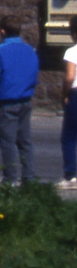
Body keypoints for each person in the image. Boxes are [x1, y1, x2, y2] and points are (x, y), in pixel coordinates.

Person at [0, 16, 39, 185]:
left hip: (7, 101)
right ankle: (29, 177)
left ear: (2, 31)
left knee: (7, 142)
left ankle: (10, 179)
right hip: (25, 99)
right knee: (25, 141)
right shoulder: (30, 50)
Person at [60, 17, 77, 191]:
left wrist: (64, 94)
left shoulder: (72, 52)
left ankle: (70, 175)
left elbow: (70, 77)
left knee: (69, 137)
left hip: (76, 94)